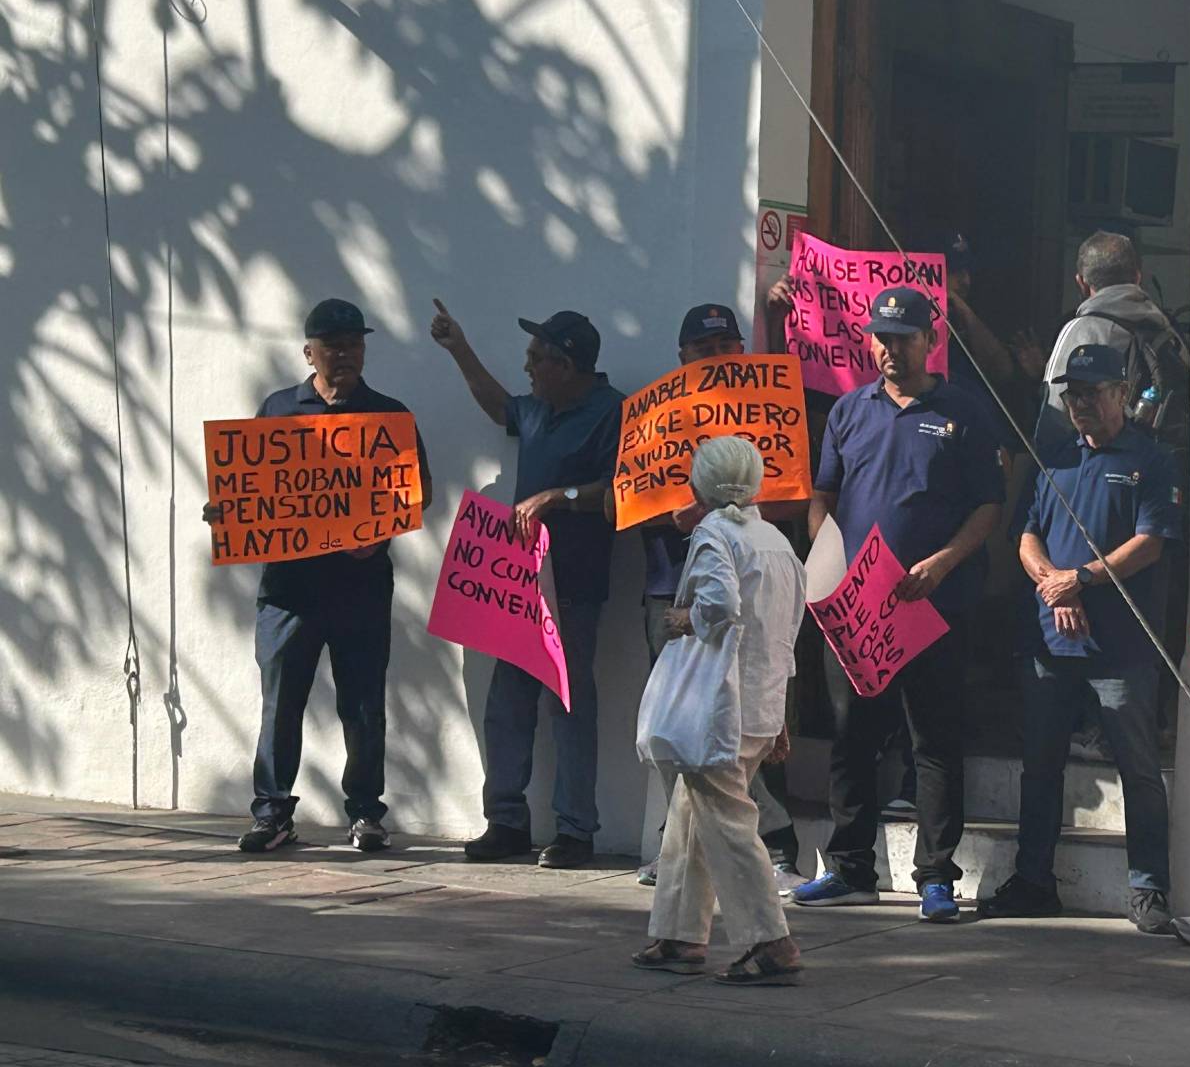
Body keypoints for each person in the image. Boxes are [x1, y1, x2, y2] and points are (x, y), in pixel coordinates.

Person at [792, 287, 1007, 921]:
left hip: (932, 603)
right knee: (852, 738)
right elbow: (822, 496)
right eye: (881, 337)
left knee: (934, 739)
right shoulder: (848, 411)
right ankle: (849, 868)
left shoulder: (963, 413)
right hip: (860, 608)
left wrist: (941, 563)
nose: (890, 349)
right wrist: (829, 562)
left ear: (928, 340)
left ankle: (935, 875)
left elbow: (989, 505)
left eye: (903, 337)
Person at [214, 299, 432, 854]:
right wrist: (229, 512)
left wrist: (379, 535)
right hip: (288, 591)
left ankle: (365, 813)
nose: (345, 354)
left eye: (355, 344)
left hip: (360, 587)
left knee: (362, 707)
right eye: (334, 345)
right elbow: (254, 485)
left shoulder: (390, 414)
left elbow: (417, 492)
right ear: (309, 351)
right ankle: (272, 813)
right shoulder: (278, 409)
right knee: (280, 702)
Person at [980, 345, 1182, 933]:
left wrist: (1082, 580)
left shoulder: (1152, 458)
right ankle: (1034, 880)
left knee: (1138, 770)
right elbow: (1025, 536)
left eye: (1094, 392)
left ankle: (1149, 888)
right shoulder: (1054, 456)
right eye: (1073, 395)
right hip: (1051, 641)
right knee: (1039, 766)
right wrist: (1052, 586)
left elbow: (1151, 542)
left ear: (1122, 393)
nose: (1082, 404)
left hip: (1120, 647)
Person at [429, 301, 623, 869]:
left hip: (574, 583)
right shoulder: (538, 408)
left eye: (538, 358)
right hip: (518, 580)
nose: (528, 367)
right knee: (507, 703)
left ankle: (575, 830)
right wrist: (459, 349)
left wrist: (558, 498)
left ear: (568, 365)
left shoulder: (611, 412)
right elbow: (499, 408)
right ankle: (506, 822)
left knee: (569, 704)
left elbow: (623, 493)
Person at [629, 304, 806, 892]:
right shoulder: (656, 416)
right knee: (684, 728)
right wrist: (671, 518)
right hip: (669, 586)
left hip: (738, 599)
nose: (718, 359)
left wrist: (713, 513)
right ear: (682, 358)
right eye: (705, 350)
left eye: (729, 346)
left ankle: (775, 850)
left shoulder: (767, 410)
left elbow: (791, 498)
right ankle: (677, 849)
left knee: (750, 726)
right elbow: (620, 507)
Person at [632, 437, 809, 984]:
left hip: (719, 708)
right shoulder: (775, 539)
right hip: (758, 703)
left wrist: (683, 620)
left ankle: (769, 939)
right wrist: (779, 717)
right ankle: (679, 934)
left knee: (728, 823)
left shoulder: (714, 533)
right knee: (690, 815)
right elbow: (784, 631)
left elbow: (720, 608)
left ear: (698, 486)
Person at [1032, 231, 1190, 462]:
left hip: (1101, 469)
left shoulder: (1081, 330)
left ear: (1082, 283)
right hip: (1159, 464)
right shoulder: (1165, 327)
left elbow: (1054, 419)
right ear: (1137, 277)